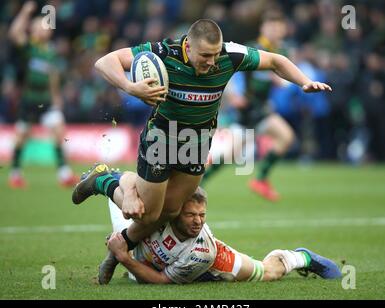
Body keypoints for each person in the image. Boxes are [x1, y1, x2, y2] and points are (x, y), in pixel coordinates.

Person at [74, 19, 332, 284]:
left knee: (171, 210)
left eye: (215, 54)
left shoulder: (230, 55)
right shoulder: (165, 52)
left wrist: (304, 81)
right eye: (205, 55)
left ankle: (117, 249)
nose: (211, 61)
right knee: (147, 213)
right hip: (161, 139)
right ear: (188, 45)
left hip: (196, 145)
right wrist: (130, 87)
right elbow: (105, 62)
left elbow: (277, 61)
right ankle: (102, 180)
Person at [104, 170, 342, 284]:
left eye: (202, 215)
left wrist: (124, 258)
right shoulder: (163, 209)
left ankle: (301, 258)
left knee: (267, 272)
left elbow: (162, 282)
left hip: (210, 265)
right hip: (158, 252)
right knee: (130, 204)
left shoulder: (203, 251)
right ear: (175, 213)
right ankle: (100, 180)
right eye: (190, 215)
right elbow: (129, 179)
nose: (198, 221)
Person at [202, 15, 297, 202]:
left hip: (260, 109)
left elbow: (284, 81)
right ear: (263, 28)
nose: (275, 32)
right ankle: (200, 180)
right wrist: (233, 95)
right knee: (232, 154)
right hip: (247, 109)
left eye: (279, 28)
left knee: (283, 137)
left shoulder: (282, 51)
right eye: (272, 27)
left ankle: (259, 179)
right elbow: (225, 69)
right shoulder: (253, 48)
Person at [7, 1, 79, 188]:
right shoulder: (29, 47)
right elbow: (14, 33)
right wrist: (24, 12)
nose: (44, 30)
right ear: (32, 30)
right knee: (22, 136)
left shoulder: (50, 52)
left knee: (58, 131)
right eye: (40, 27)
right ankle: (15, 173)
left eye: (46, 27)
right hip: (30, 100)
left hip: (46, 100)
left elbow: (53, 76)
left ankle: (64, 174)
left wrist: (56, 97)